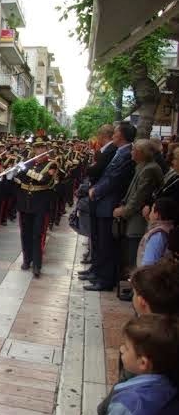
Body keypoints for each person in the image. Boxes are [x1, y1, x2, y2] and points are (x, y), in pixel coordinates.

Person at [84, 122, 136, 291]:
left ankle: (105, 280)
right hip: (104, 202)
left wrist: (96, 190)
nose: (113, 134)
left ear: (121, 135)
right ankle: (99, 273)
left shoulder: (126, 154)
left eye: (115, 132)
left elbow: (114, 179)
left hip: (110, 203)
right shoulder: (121, 152)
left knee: (107, 244)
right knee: (101, 242)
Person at [106, 314, 179, 415]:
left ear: (143, 363)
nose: (121, 349)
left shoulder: (127, 405)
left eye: (126, 348)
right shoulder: (171, 385)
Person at [111, 139, 163, 275]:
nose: (131, 152)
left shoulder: (149, 169)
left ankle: (135, 285)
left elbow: (139, 196)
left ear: (141, 153)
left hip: (138, 219)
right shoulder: (142, 166)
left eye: (134, 150)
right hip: (134, 216)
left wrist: (124, 211)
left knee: (135, 253)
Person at [12, 134, 57, 277]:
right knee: (25, 233)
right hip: (25, 202)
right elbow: (20, 180)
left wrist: (25, 171)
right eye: (37, 148)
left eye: (42, 147)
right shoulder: (27, 162)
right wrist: (14, 173)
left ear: (46, 148)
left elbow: (44, 180)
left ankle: (37, 265)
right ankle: (27, 259)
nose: (39, 150)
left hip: (40, 203)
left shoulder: (52, 164)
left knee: (37, 234)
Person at [137, 198, 177, 267]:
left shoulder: (157, 235)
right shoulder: (169, 229)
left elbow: (148, 265)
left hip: (150, 276)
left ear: (157, 215)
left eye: (152, 210)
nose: (150, 212)